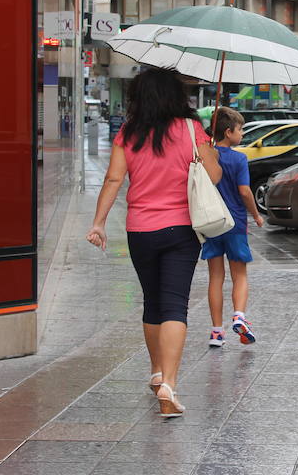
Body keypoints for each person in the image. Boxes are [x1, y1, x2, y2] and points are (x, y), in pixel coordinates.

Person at [86, 68, 222, 418]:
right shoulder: (193, 130)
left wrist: (99, 223)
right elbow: (214, 176)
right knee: (175, 304)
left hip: (140, 229)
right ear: (176, 96)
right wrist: (212, 152)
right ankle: (170, 386)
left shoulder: (128, 133)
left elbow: (114, 178)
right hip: (181, 229)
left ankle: (157, 371)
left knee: (153, 302)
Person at [201, 107, 264, 347]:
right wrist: (256, 215)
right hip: (235, 223)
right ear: (228, 132)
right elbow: (245, 192)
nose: (243, 134)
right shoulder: (239, 158)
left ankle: (216, 331)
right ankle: (239, 315)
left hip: (211, 223)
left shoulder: (206, 155)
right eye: (240, 129)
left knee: (215, 277)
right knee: (239, 275)